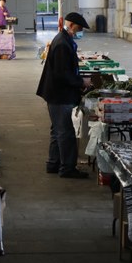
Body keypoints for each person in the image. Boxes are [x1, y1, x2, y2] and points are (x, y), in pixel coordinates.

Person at [36, 12, 91, 179]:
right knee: (66, 132)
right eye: (80, 28)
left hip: (56, 94)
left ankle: (53, 163)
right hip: (59, 96)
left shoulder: (64, 39)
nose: (80, 31)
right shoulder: (62, 43)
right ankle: (67, 168)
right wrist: (81, 82)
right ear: (72, 25)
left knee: (57, 130)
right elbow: (62, 74)